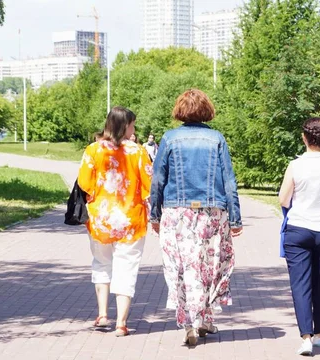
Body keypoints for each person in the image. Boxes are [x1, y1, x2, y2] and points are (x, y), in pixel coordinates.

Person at [150, 89, 243, 346]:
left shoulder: (169, 139)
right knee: (209, 267)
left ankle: (191, 321)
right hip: (212, 214)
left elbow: (157, 180)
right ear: (206, 110)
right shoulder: (216, 139)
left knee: (180, 267)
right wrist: (235, 218)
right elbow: (229, 182)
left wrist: (154, 214)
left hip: (176, 214)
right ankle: (203, 318)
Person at [78, 106, 153, 337]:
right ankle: (121, 322)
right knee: (126, 268)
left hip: (101, 220)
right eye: (132, 124)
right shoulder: (138, 152)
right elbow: (149, 184)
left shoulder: (93, 150)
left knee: (101, 263)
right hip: (131, 220)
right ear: (126, 125)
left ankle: (102, 314)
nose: (134, 129)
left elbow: (84, 183)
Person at [278, 117, 320, 356]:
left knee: (300, 284)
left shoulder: (295, 165)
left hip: (298, 229)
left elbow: (283, 199)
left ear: (304, 138)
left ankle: (305, 337)